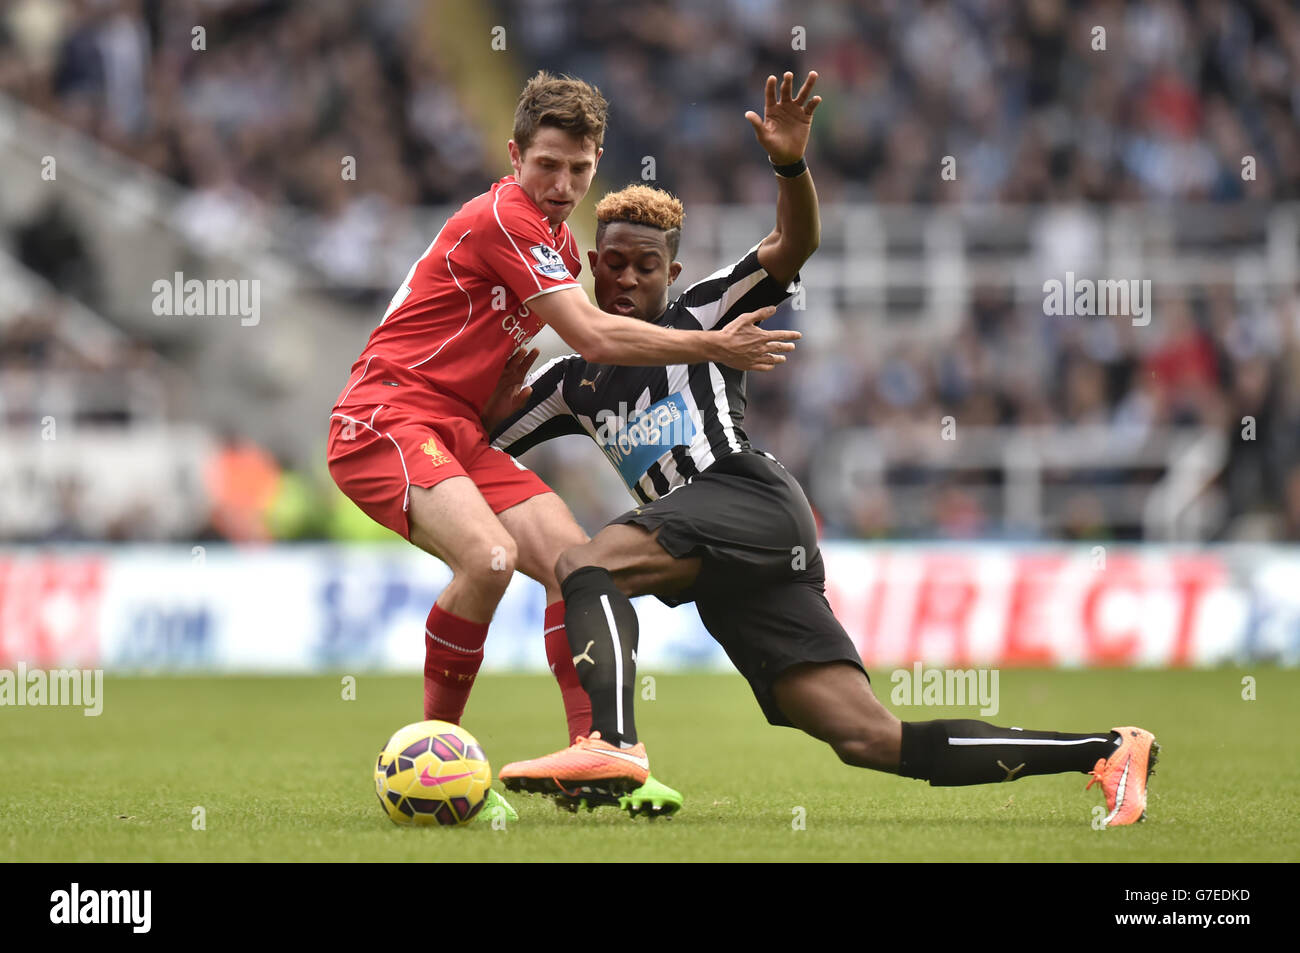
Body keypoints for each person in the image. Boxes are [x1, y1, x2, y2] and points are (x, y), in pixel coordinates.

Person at [486, 74, 1159, 828]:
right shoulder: (572, 380)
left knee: (585, 565)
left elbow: (793, 242)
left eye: (647, 265)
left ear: (671, 274)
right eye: (614, 263)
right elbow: (480, 439)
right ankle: (1108, 750)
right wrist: (487, 370)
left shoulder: (702, 310)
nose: (629, 277)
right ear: (589, 265)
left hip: (745, 497)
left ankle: (611, 741)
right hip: (725, 566)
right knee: (868, 735)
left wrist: (790, 166)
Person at [327, 71, 799, 821]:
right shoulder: (505, 216)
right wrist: (713, 344)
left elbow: (508, 364)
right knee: (488, 558)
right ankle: (437, 766)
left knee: (576, 567)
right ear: (515, 155)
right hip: (389, 414)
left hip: (456, 427)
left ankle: (598, 756)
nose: (562, 182)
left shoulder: (554, 242)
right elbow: (586, 333)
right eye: (547, 163)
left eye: (579, 168)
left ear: (596, 160)